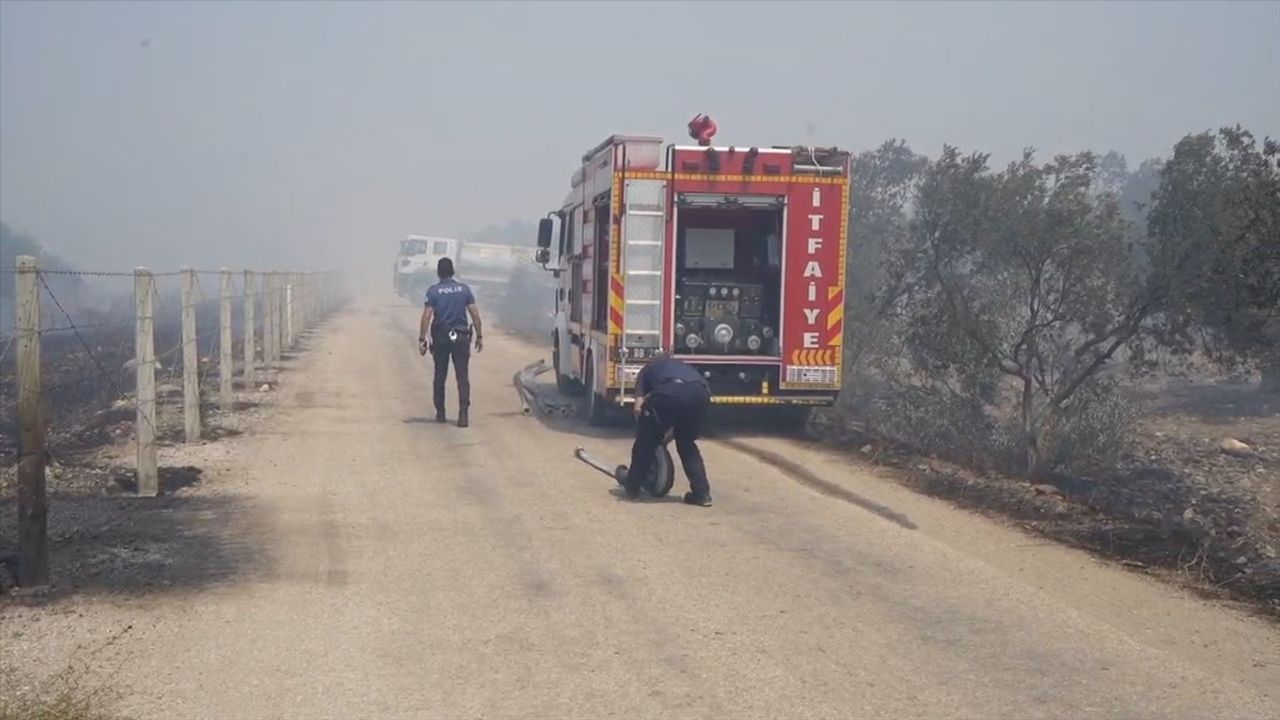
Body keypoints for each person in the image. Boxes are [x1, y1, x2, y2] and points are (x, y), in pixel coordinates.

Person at [620, 353, 713, 506]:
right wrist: (662, 435)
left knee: (645, 443)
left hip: (670, 393)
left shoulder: (647, 370)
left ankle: (632, 486)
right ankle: (702, 493)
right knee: (687, 444)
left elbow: (638, 408)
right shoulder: (683, 366)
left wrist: (649, 431)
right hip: (700, 395)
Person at [418, 257, 483, 427]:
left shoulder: (433, 291)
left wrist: (422, 339)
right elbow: (475, 314)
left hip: (442, 337)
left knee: (440, 375)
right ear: (452, 271)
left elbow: (426, 316)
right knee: (462, 376)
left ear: (439, 272)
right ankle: (463, 414)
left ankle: (440, 412)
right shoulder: (464, 290)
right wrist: (480, 336)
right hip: (459, 336)